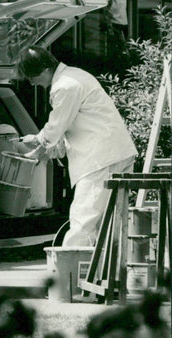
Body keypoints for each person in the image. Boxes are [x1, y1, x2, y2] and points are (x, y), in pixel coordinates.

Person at [16, 46, 137, 247]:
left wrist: (38, 142)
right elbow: (71, 130)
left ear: (45, 70)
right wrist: (47, 150)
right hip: (115, 154)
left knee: (83, 221)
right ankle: (104, 276)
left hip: (99, 160)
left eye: (32, 77)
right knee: (110, 224)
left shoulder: (64, 86)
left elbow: (55, 127)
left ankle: (69, 273)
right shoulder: (76, 76)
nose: (32, 83)